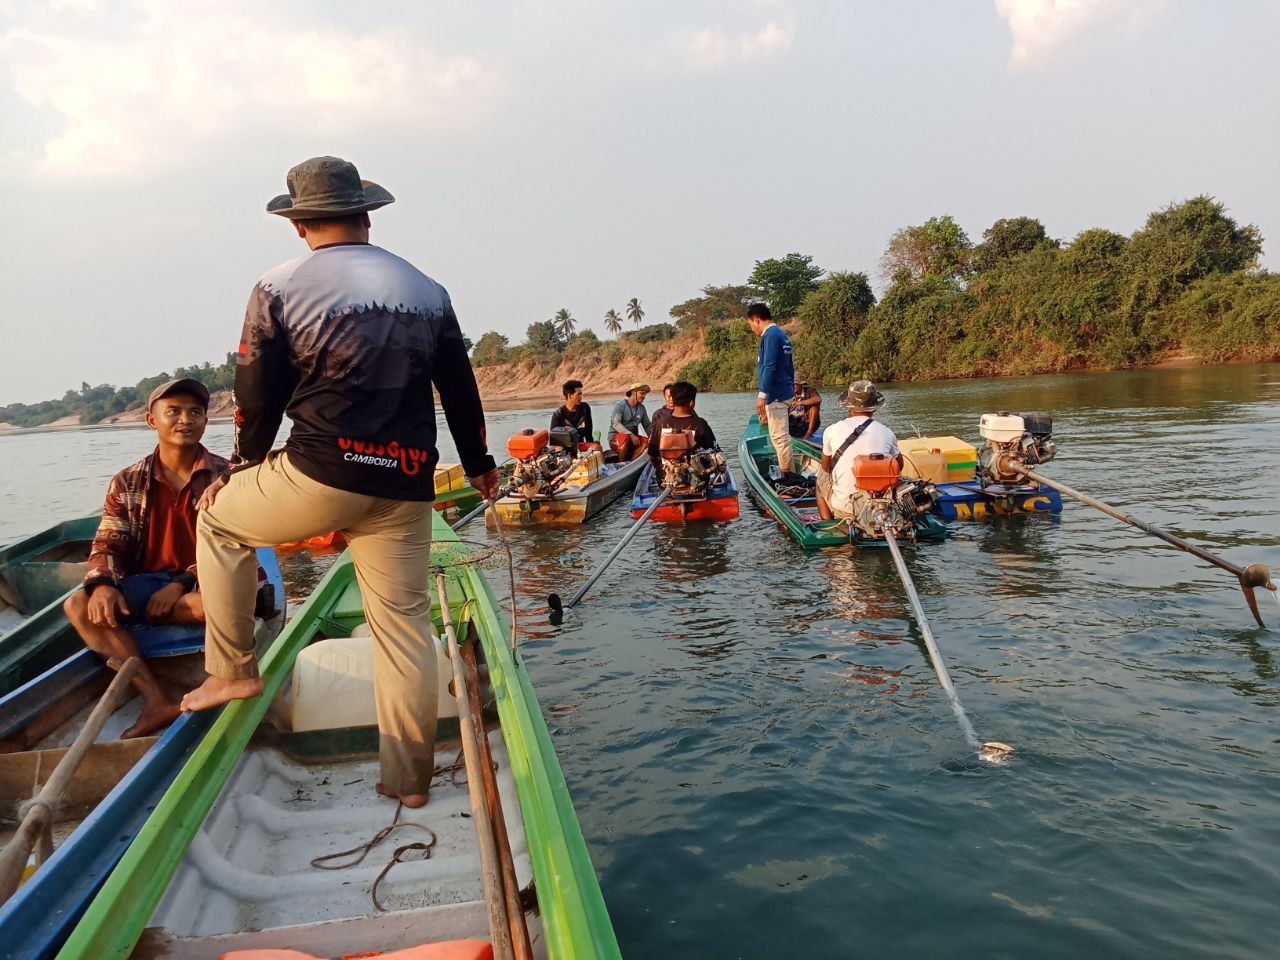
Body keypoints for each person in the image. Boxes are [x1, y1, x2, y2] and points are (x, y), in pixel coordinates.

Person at [183, 156, 500, 810]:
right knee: (404, 630)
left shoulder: (277, 285)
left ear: (299, 224)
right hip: (408, 481)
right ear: (366, 216)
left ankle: (232, 671)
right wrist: (478, 466)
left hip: (320, 473)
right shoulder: (427, 290)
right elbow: (460, 390)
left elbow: (256, 393)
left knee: (217, 522)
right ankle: (409, 783)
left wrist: (242, 466)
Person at [63, 378, 226, 739]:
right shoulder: (127, 481)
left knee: (219, 603)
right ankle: (156, 699)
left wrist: (181, 582)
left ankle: (221, 677)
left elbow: (235, 548)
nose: (185, 419)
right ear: (152, 421)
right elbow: (107, 544)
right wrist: (103, 585)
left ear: (206, 420)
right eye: (174, 412)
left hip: (203, 584)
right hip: (146, 585)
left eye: (195, 412)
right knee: (79, 605)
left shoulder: (226, 477)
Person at [817, 381, 900, 521]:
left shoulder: (831, 430)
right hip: (879, 509)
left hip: (845, 510)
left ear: (848, 406)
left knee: (821, 479)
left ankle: (829, 523)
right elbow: (900, 465)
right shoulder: (887, 432)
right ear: (874, 408)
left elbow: (826, 468)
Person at [747, 303, 794, 477]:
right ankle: (790, 475)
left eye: (750, 324)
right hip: (784, 391)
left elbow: (769, 366)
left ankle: (787, 478)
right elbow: (789, 367)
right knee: (781, 438)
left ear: (756, 319)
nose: (752, 328)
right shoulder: (780, 334)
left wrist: (762, 395)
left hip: (776, 394)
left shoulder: (770, 335)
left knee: (780, 439)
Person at [647, 380, 717, 475]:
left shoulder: (660, 424)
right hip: (697, 479)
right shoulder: (701, 424)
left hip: (666, 478)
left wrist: (661, 472)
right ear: (692, 403)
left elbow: (652, 455)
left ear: (673, 399)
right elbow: (714, 453)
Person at [609, 383, 651, 461]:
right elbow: (616, 424)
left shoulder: (642, 408)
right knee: (625, 438)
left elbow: (647, 425)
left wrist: (654, 438)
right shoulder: (620, 405)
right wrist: (631, 435)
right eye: (642, 393)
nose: (644, 396)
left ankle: (632, 462)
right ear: (633, 392)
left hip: (633, 440)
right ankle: (622, 464)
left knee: (646, 442)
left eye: (645, 394)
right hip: (615, 439)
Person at [550, 379, 593, 443]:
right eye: (578, 394)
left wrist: (593, 446)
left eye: (581, 394)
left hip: (581, 445)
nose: (581, 397)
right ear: (570, 395)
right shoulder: (558, 415)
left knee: (596, 447)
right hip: (564, 447)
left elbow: (588, 435)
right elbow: (554, 441)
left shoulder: (585, 408)